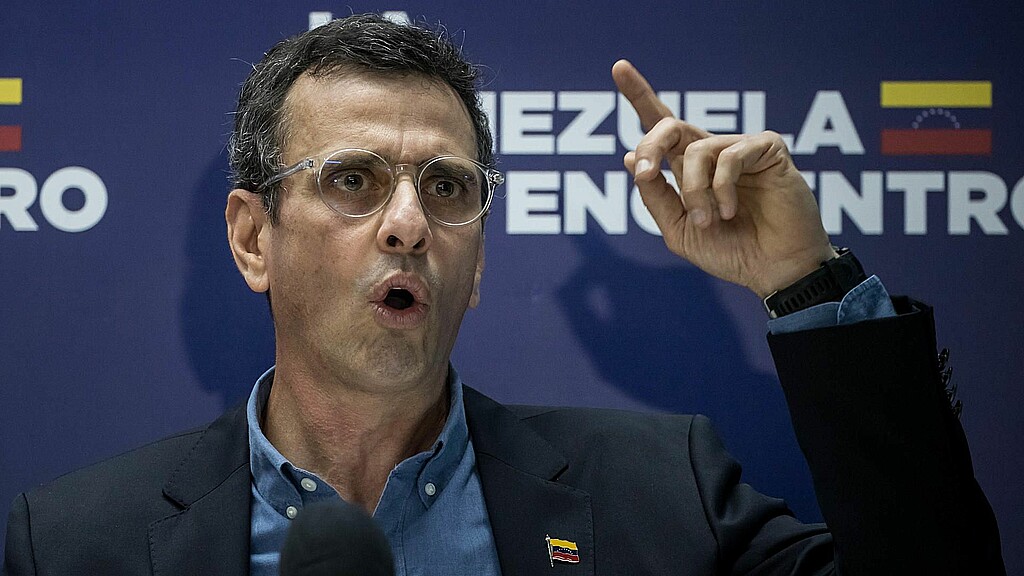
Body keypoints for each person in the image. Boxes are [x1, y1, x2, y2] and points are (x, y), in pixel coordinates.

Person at [3, 13, 1004, 576]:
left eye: (447, 189)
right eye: (352, 180)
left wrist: (805, 280)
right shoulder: (78, 543)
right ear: (252, 238)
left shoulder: (664, 494)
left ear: (477, 262)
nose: (408, 224)